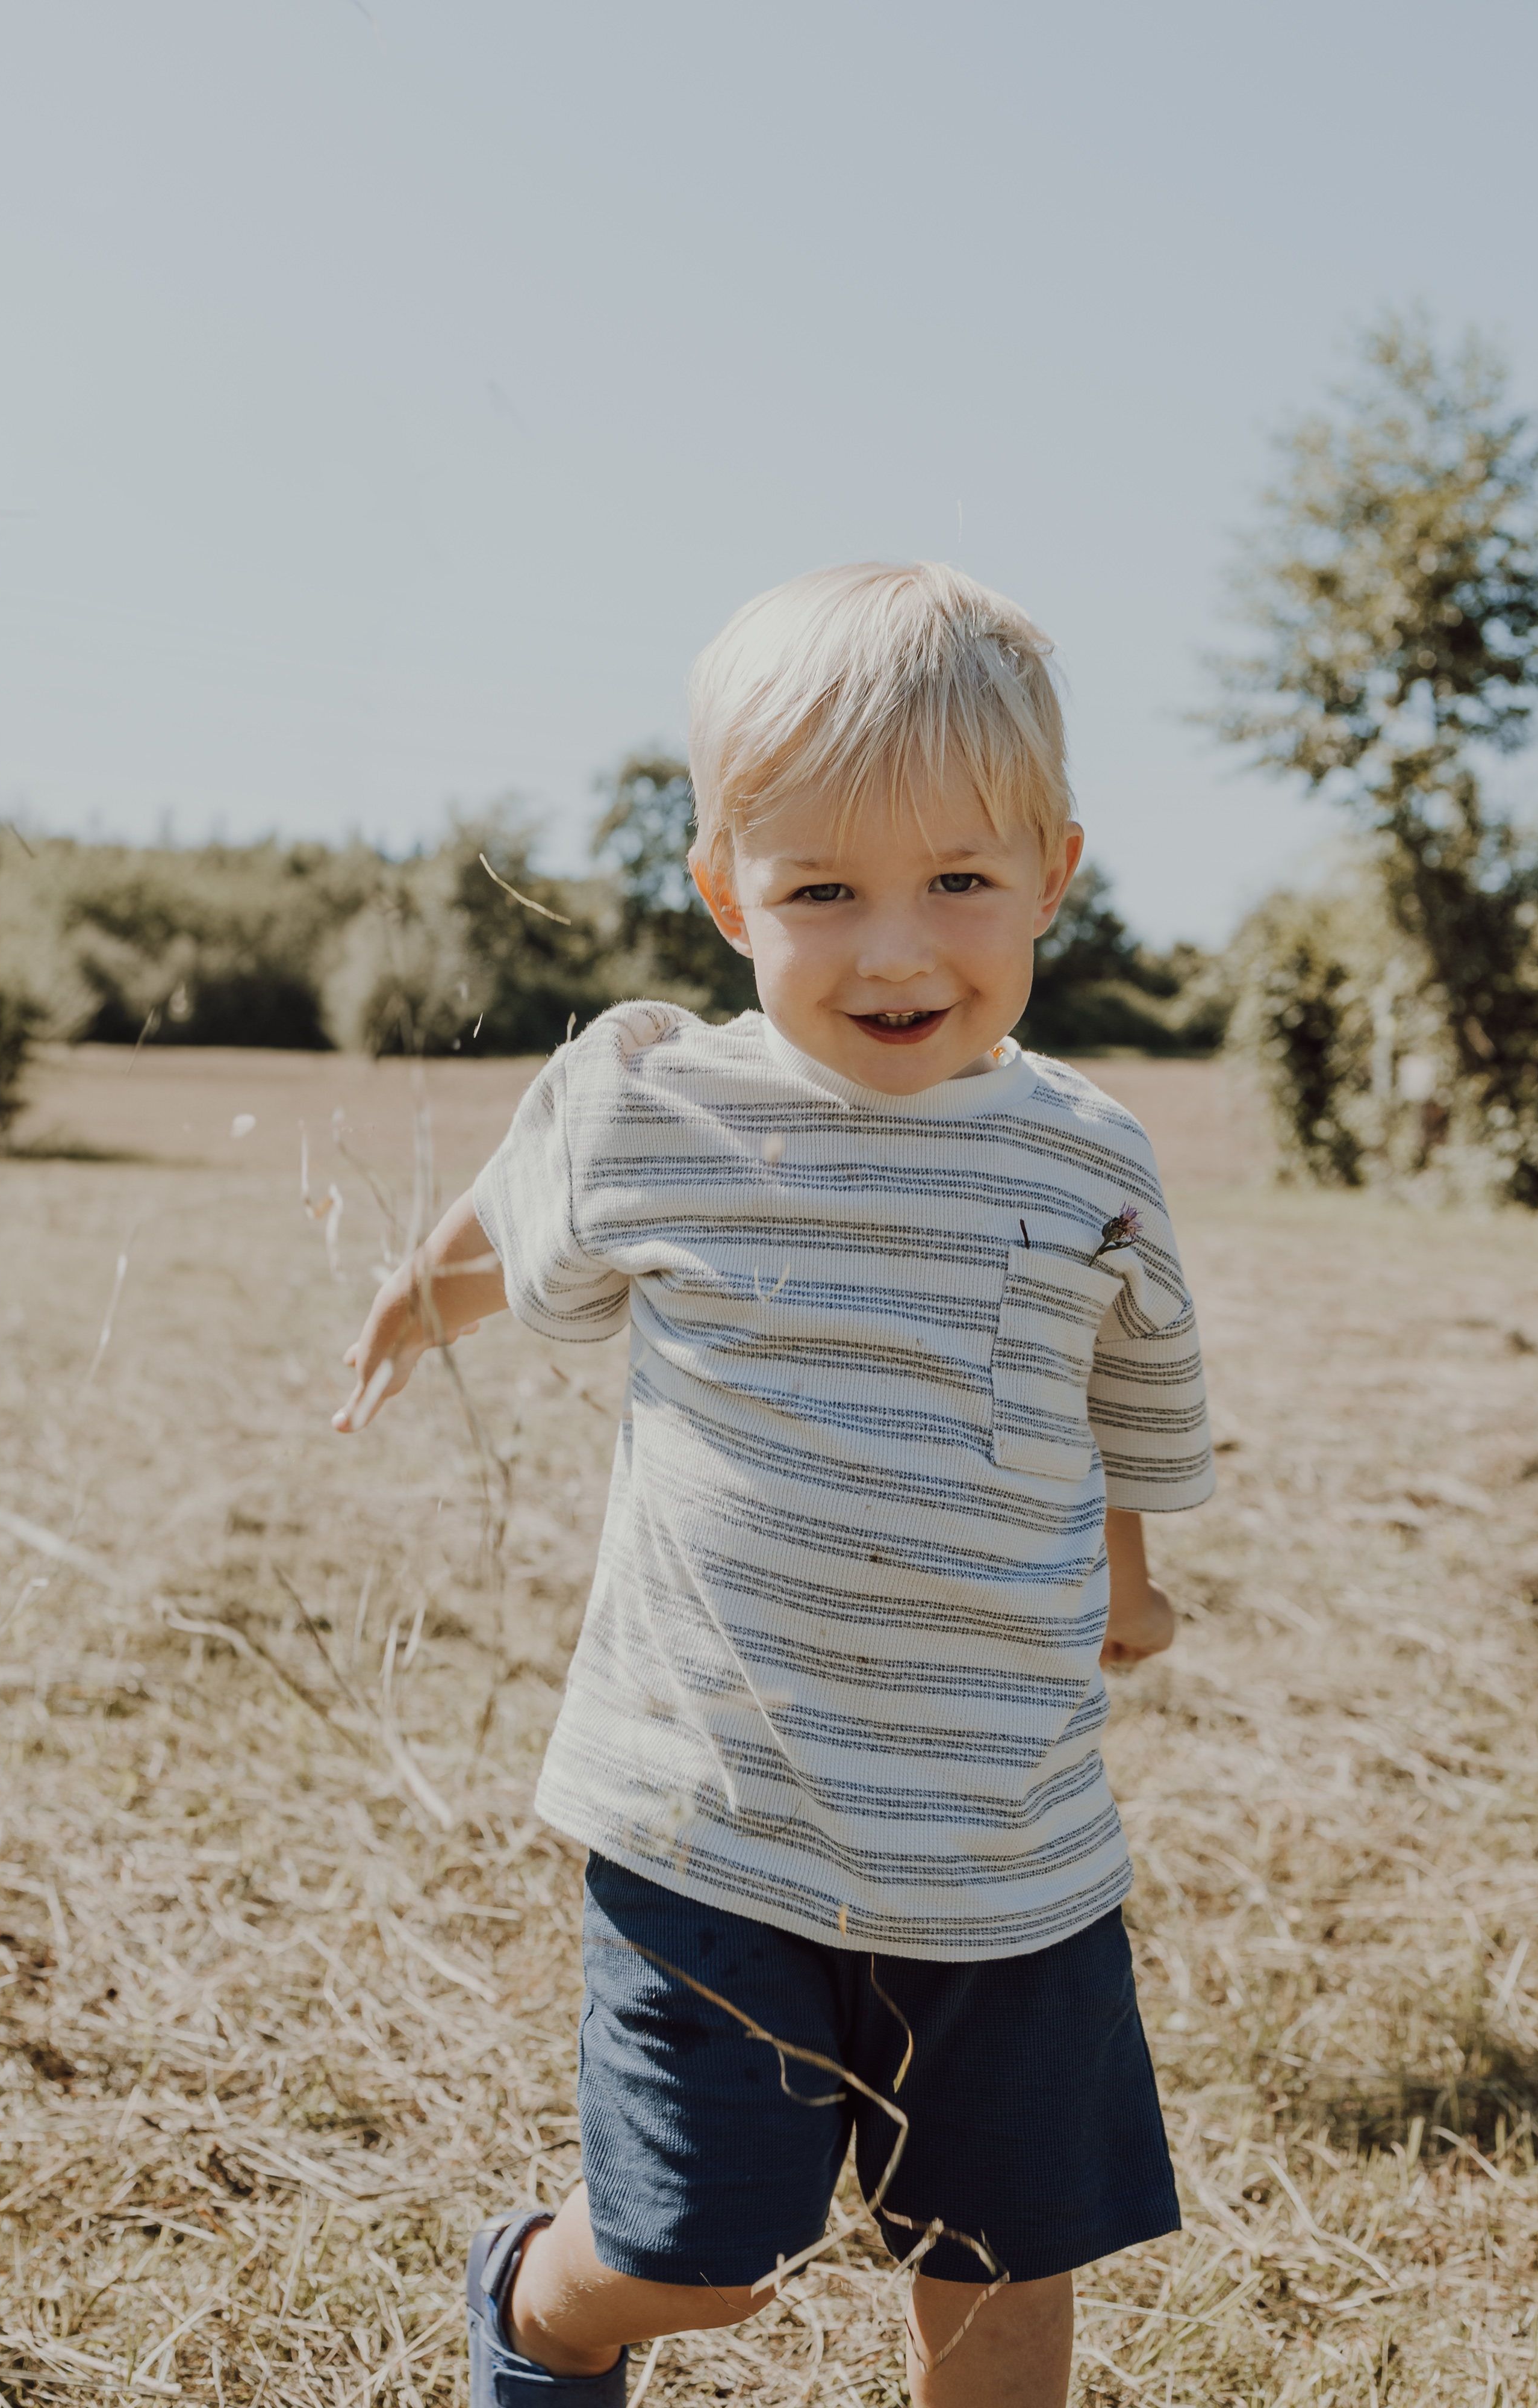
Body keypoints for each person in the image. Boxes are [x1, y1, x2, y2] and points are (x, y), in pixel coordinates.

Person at [335, 562, 1213, 2408]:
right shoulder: (667, 1108)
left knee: (1003, 2279)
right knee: (695, 2259)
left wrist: (1126, 1577)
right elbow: (527, 1200)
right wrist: (418, 1296)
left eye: (956, 883)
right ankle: (536, 2306)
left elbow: (1118, 1386)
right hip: (710, 1821)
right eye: (822, 893)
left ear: (1052, 874)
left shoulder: (1087, 1163)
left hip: (1002, 1844)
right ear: (729, 894)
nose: (893, 952)